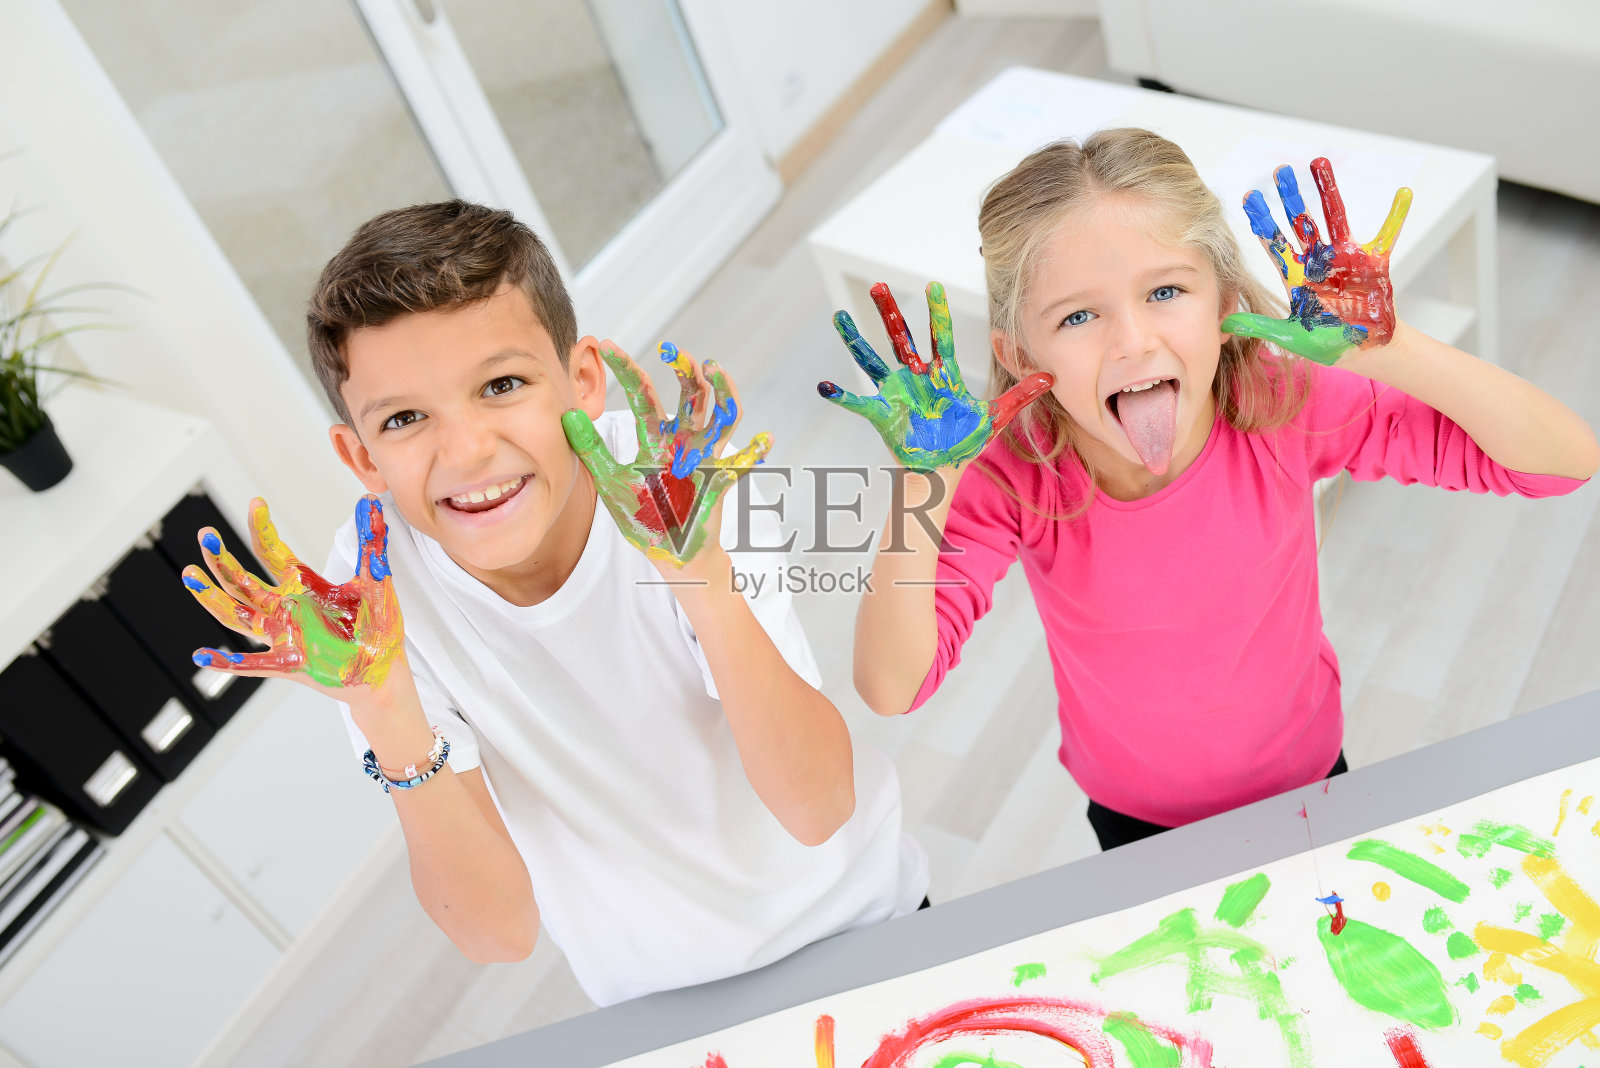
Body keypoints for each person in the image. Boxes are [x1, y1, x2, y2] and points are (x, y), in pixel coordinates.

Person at [181, 200, 928, 1007]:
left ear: (581, 380)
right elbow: (497, 933)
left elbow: (818, 807)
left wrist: (703, 579)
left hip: (863, 923)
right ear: (360, 456)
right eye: (404, 419)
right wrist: (383, 707)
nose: (466, 452)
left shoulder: (671, 485)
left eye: (501, 385)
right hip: (651, 998)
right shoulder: (365, 597)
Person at [823, 129, 1598, 852]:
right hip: (1133, 812)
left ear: (1224, 302)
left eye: (1165, 293)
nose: (1133, 341)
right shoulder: (1015, 475)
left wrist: (1384, 348)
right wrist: (925, 486)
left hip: (1307, 778)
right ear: (1019, 351)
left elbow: (1564, 461)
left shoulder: (1284, 405)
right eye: (1080, 315)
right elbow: (892, 686)